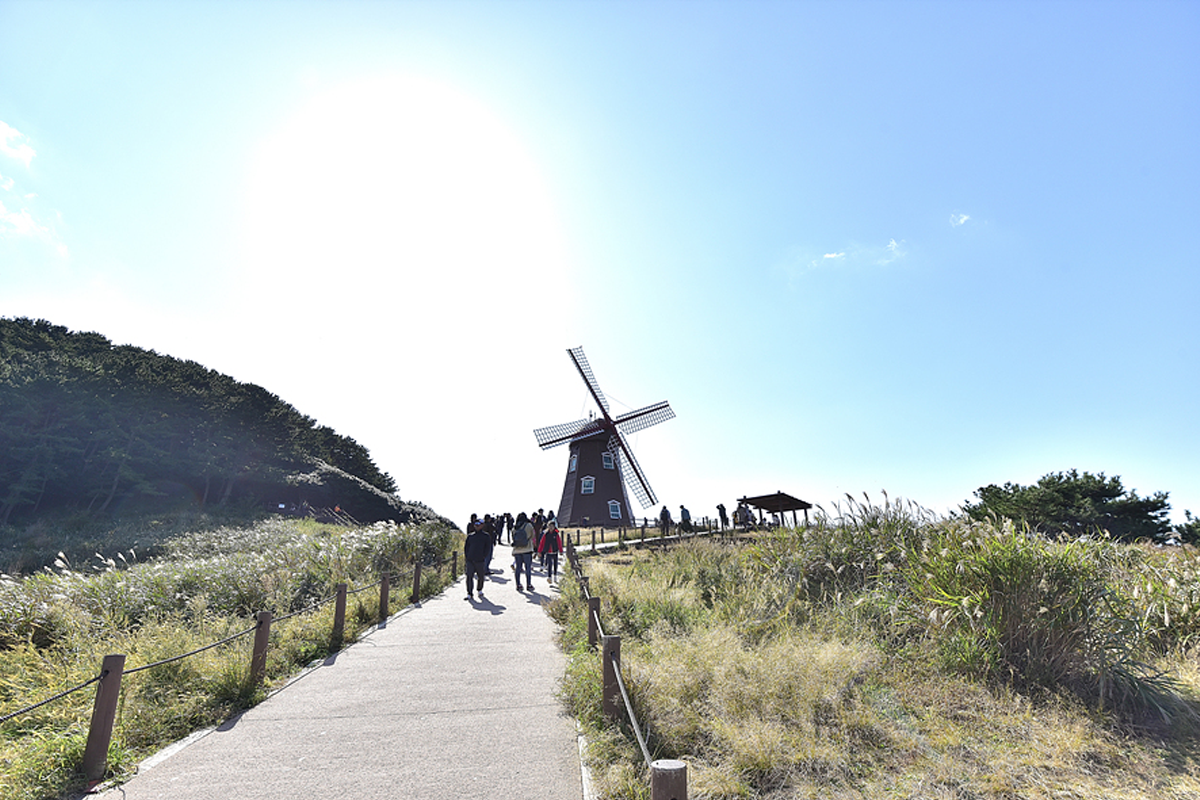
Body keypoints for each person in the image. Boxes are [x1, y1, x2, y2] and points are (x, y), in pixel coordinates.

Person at [463, 517, 491, 601]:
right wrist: (467, 557)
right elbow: (466, 547)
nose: (477, 526)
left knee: (481, 576)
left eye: (478, 524)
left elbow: (487, 547)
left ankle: (479, 590)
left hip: (480, 559)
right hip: (470, 560)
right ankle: (469, 593)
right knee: (469, 576)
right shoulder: (470, 536)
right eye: (475, 524)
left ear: (482, 525)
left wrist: (483, 556)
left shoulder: (486, 536)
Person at [511, 511, 536, 591]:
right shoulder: (529, 525)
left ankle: (518, 585)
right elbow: (533, 536)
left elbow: (513, 538)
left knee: (518, 568)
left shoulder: (514, 528)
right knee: (527, 568)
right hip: (527, 549)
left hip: (517, 550)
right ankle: (528, 585)